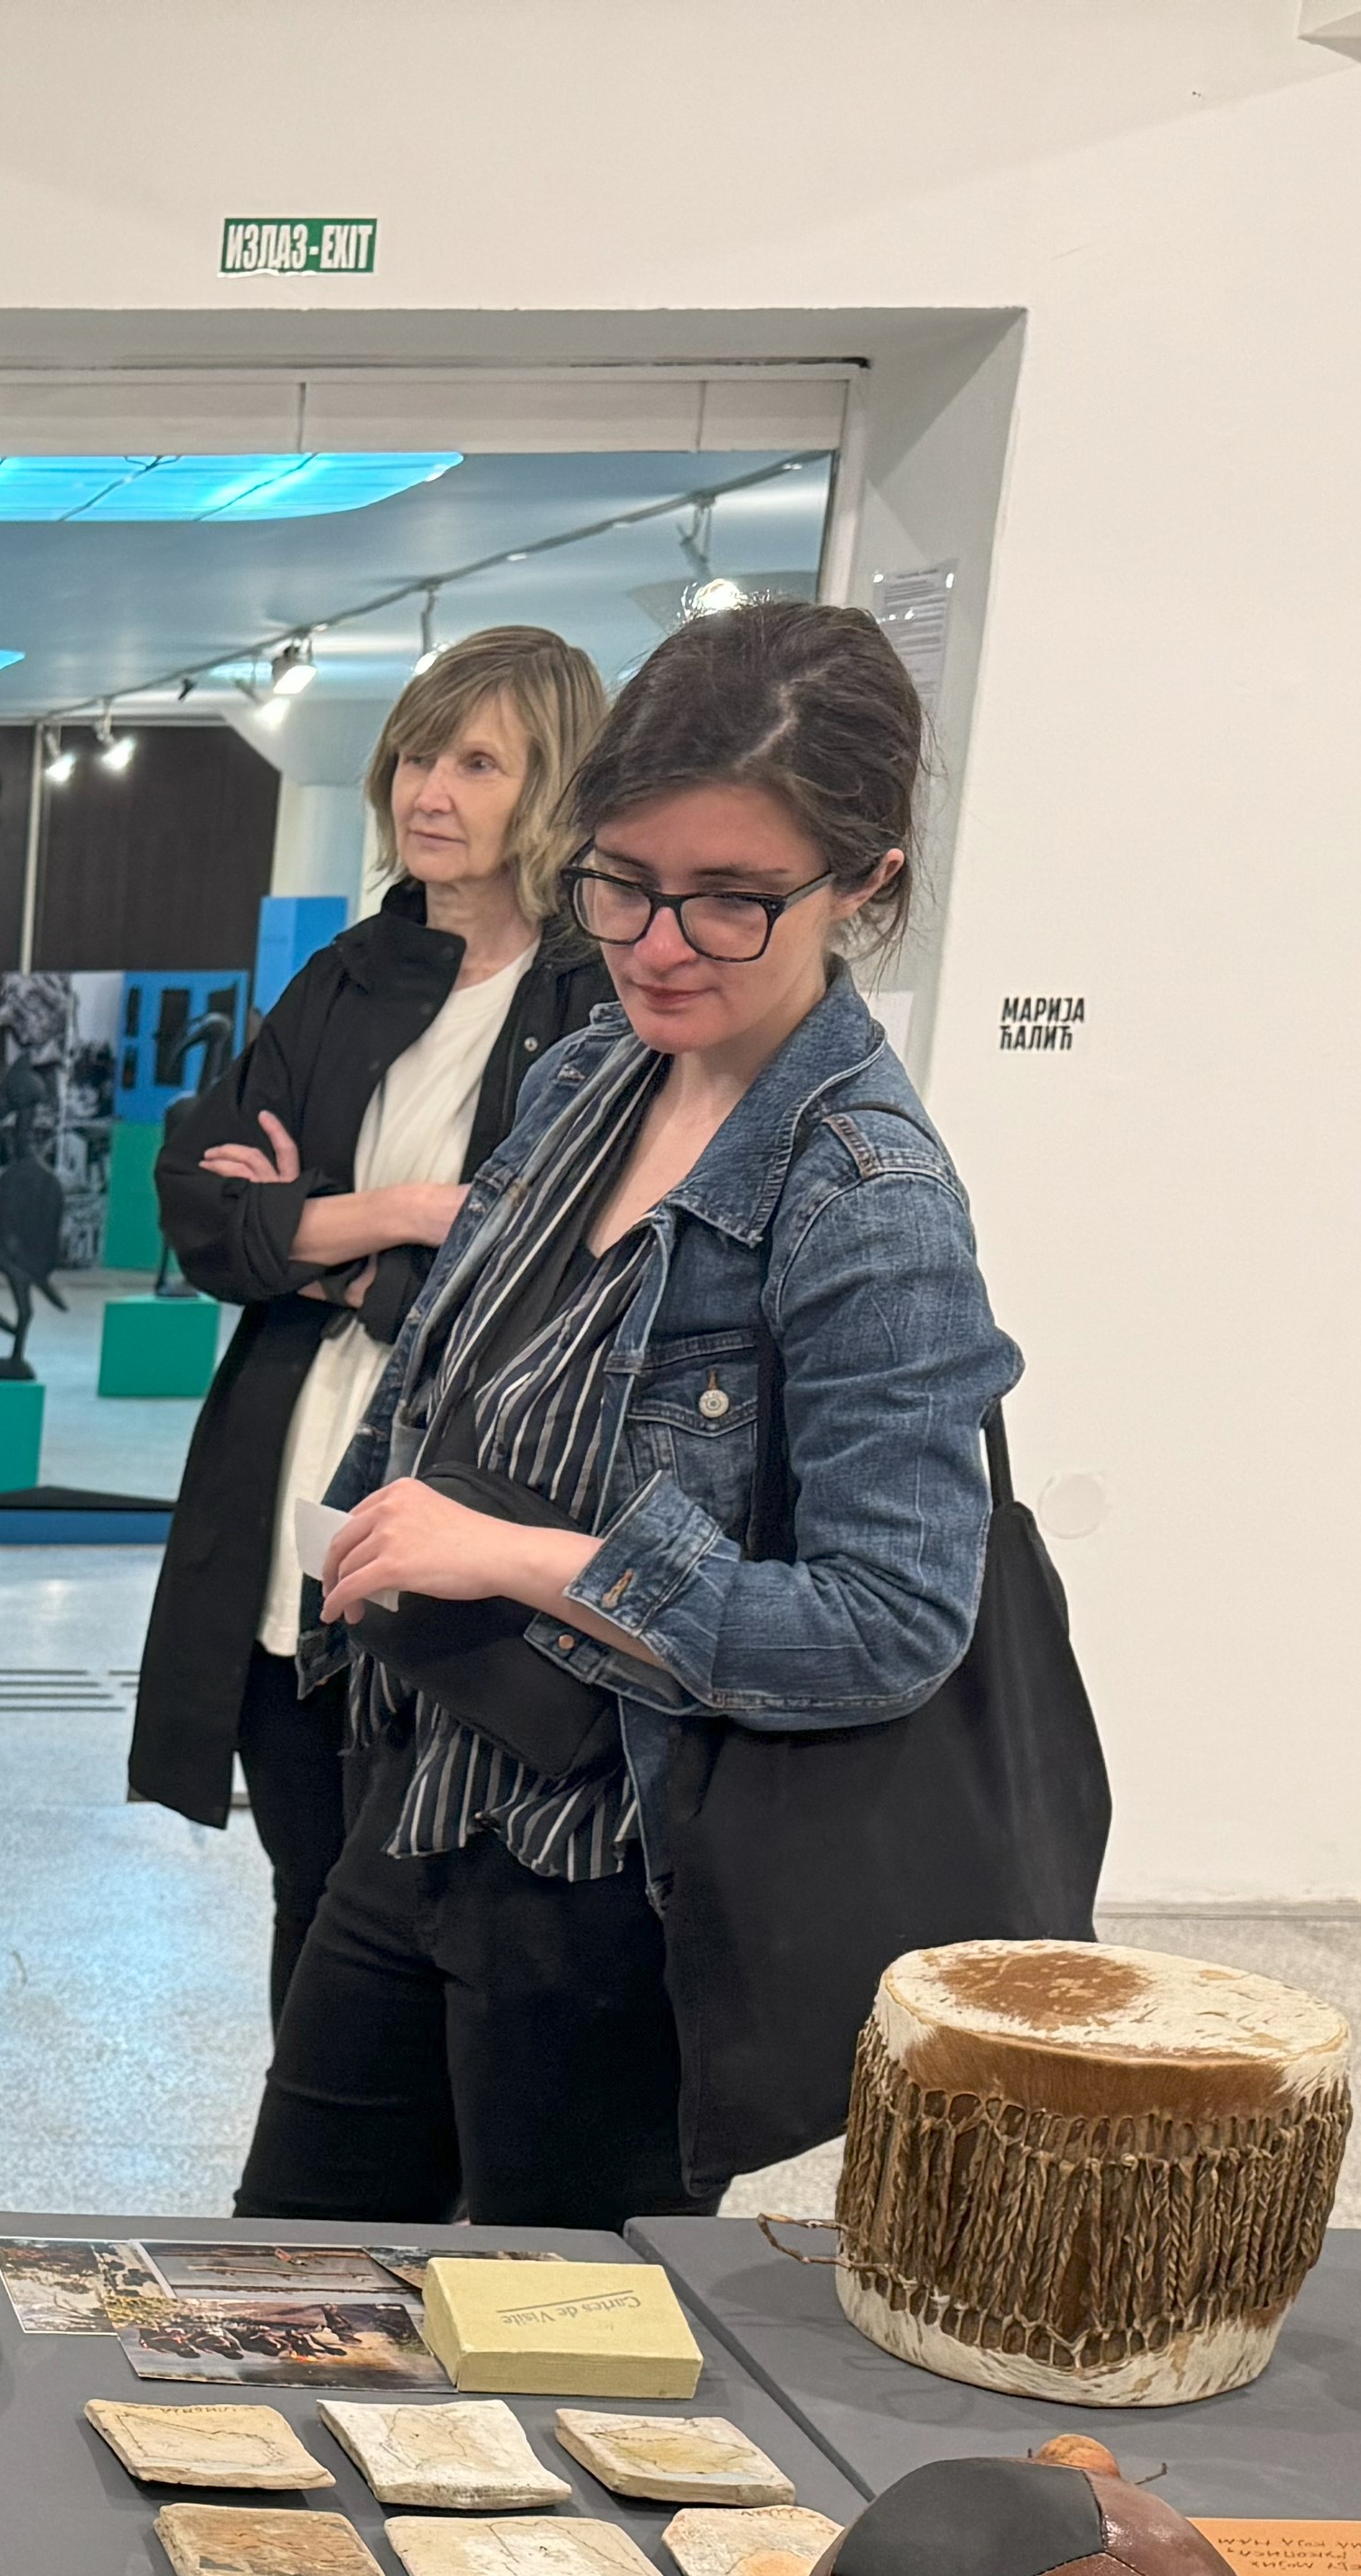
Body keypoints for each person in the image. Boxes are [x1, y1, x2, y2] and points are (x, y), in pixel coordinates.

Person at [238, 601, 1015, 2226]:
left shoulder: (865, 1196)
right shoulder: (593, 1073)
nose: (661, 943)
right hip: (428, 1797)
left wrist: (526, 1563)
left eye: (732, 901)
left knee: (544, 2385)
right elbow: (444, 1376)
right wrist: (356, 1562)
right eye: (625, 882)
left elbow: (890, 1623)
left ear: (863, 883)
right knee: (283, 2296)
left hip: (622, 1892)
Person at [141, 627, 615, 2013]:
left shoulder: (593, 1003)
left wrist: (318, 1232)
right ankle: (311, 2184)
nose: (430, 789)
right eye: (417, 753)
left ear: (549, 787)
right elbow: (198, 1203)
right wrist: (408, 1216)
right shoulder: (351, 974)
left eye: (477, 761)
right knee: (310, 1871)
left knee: (418, 1877)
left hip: (462, 1493)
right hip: (292, 1463)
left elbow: (546, 1272)